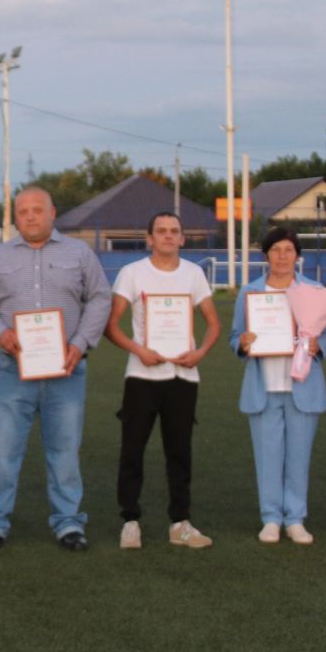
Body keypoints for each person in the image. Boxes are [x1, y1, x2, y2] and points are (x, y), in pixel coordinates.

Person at [0, 185, 112, 552]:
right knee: (1, 451)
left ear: (53, 213)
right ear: (15, 217)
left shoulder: (79, 253)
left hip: (66, 371)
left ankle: (68, 523)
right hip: (11, 370)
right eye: (23, 211)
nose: (30, 216)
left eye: (38, 209)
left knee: (64, 451)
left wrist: (80, 344)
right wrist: (0, 333)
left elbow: (100, 297)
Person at [104, 210, 219, 550]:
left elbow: (213, 324)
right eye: (161, 231)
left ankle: (180, 523)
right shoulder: (132, 273)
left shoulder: (194, 274)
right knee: (132, 451)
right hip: (142, 376)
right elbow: (111, 326)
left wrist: (200, 353)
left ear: (183, 238)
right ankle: (130, 521)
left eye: (174, 231)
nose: (168, 236)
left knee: (179, 451)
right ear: (149, 238)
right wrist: (138, 349)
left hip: (183, 376)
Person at [229, 225, 326, 545]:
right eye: (276, 250)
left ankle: (296, 518)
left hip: (302, 387)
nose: (282, 256)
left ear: (297, 256)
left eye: (288, 250)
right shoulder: (250, 293)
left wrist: (319, 347)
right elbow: (235, 336)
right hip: (264, 387)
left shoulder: (315, 291)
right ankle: (271, 518)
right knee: (268, 456)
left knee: (299, 456)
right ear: (266, 255)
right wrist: (244, 343)